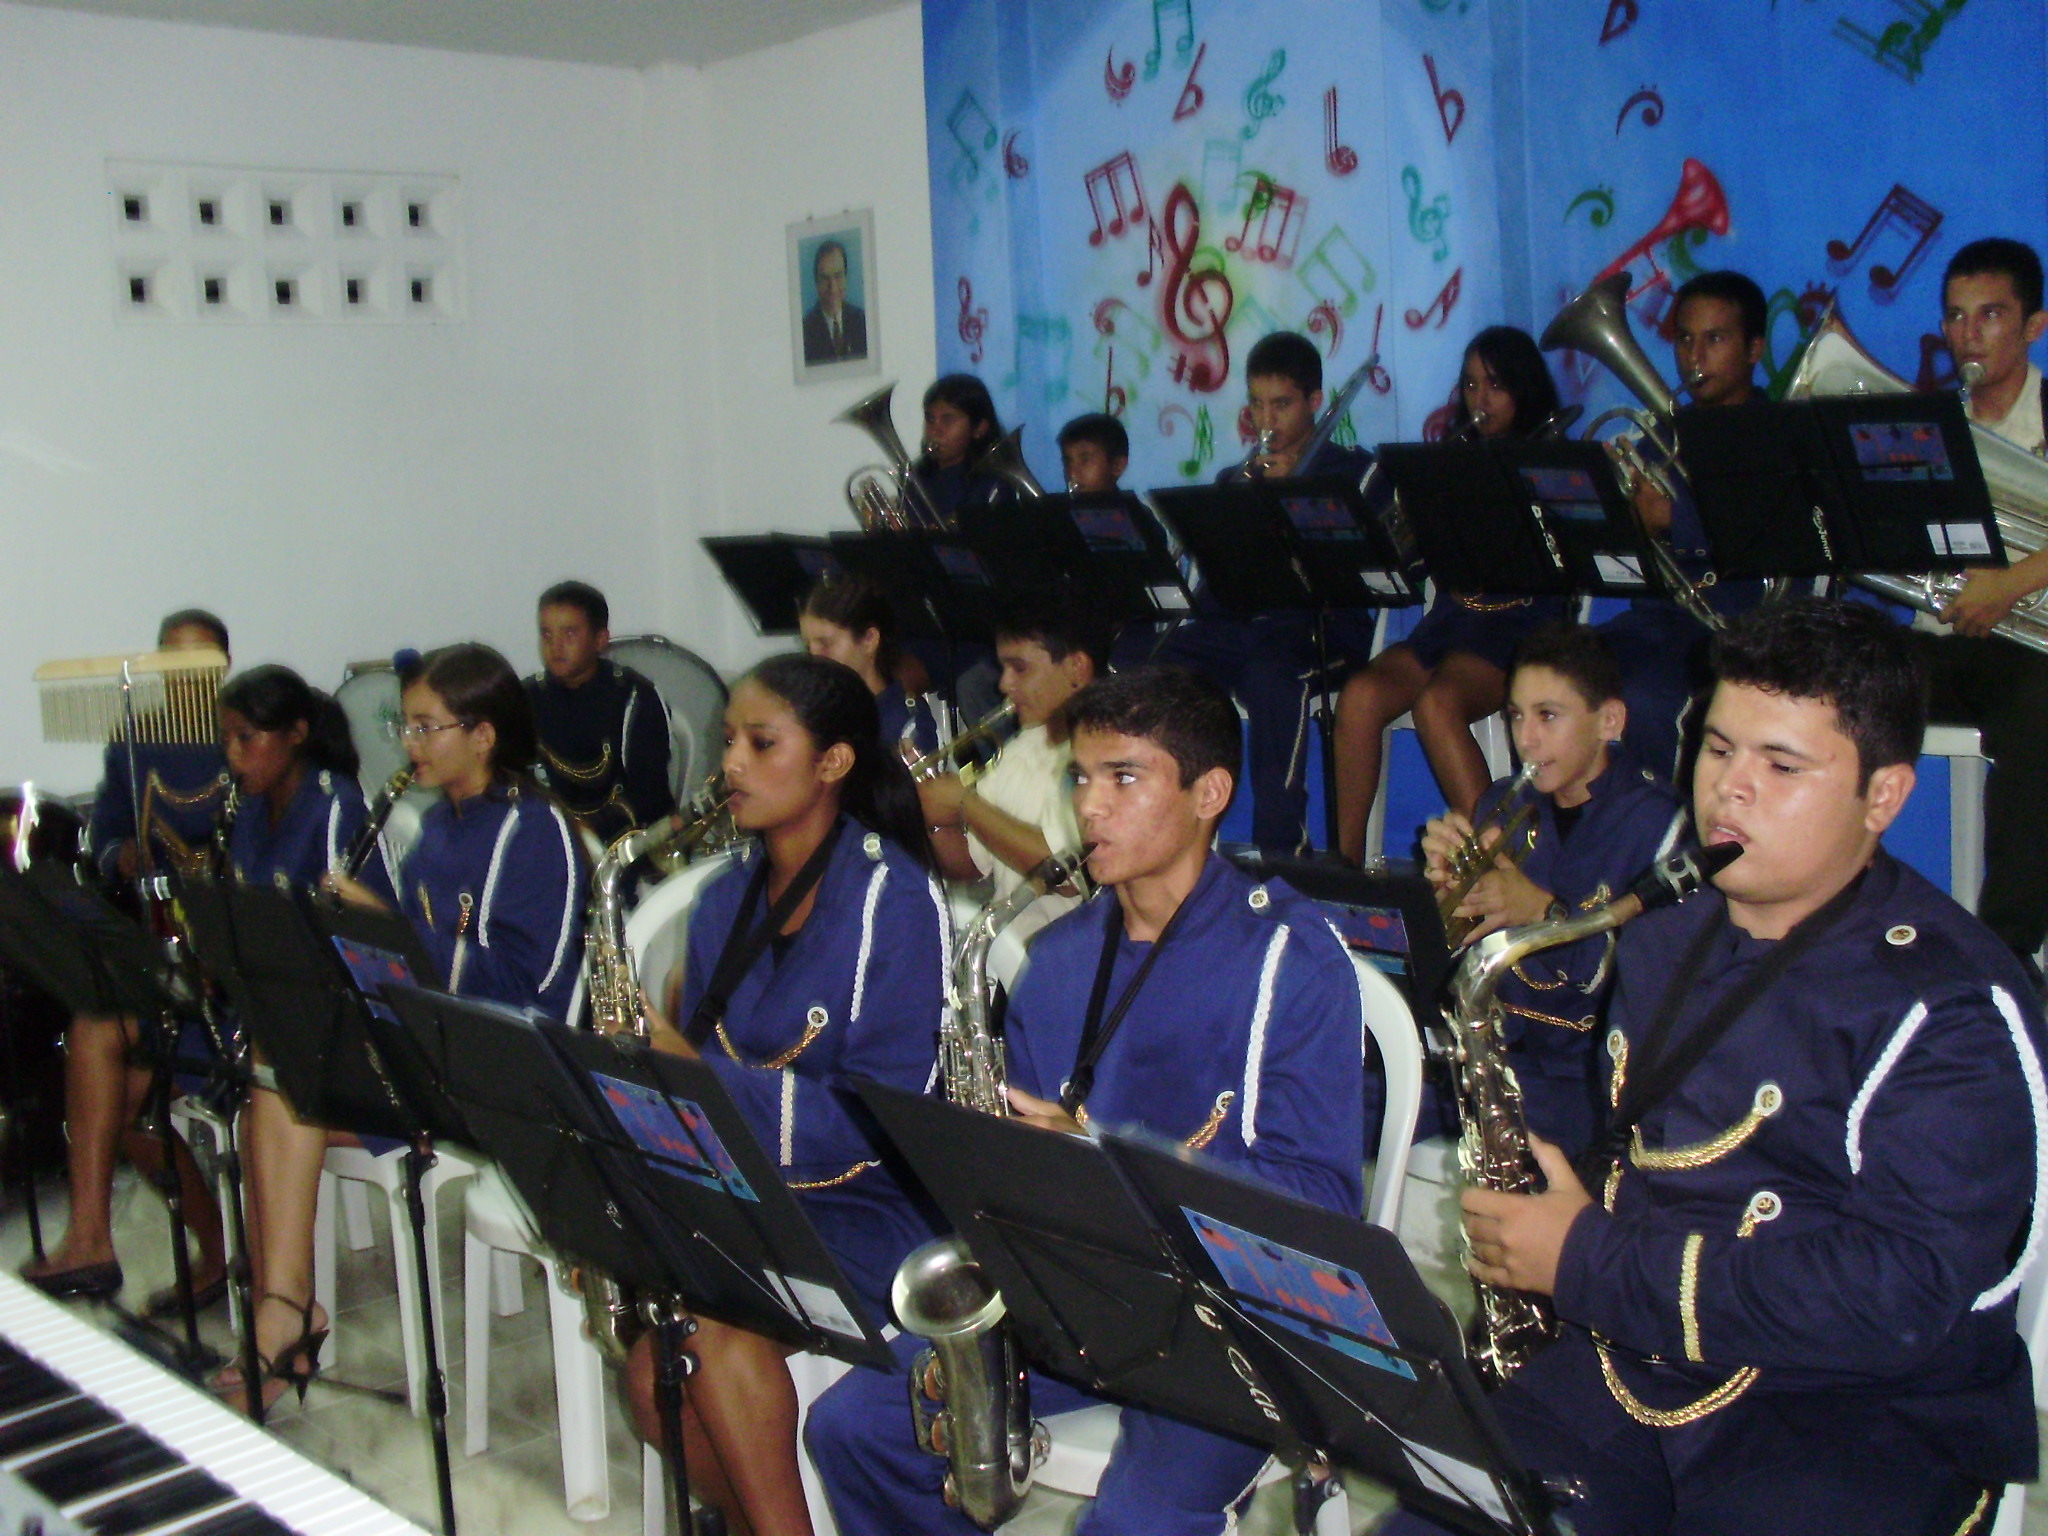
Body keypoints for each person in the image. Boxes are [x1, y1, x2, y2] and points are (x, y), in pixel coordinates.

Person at [1388, 598, 2045, 1536]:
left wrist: (1587, 1259)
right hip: (1635, 1359)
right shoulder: (1663, 933)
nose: (1730, 789)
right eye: (1719, 748)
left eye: (1782, 765)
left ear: (1884, 797)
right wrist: (1557, 1198)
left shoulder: (1951, 1008)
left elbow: (1895, 1298)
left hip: (1851, 1421)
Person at [809, 665, 1369, 1536]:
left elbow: (1324, 1205)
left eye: (1124, 778)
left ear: (1209, 795)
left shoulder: (1290, 959)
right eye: (1080, 777)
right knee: (852, 1430)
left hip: (1231, 1326)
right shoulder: (1060, 957)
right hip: (1073, 1298)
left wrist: (1105, 1161)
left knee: (1137, 1521)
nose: (1089, 808)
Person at [617, 654, 948, 1536]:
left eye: (761, 744)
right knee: (651, 1385)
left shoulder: (895, 899)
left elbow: (880, 1122)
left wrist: (693, 1074)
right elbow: (703, 1073)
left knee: (710, 1321)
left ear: (833, 762)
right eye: (728, 740)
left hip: (875, 1205)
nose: (730, 763)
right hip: (758, 1186)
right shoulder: (723, 896)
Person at [228, 644, 584, 1411]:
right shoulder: (437, 828)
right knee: (277, 1066)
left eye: (426, 727)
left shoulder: (536, 830)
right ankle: (283, 1308)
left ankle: (285, 1315)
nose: (408, 744)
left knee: (285, 1086)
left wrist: (388, 931)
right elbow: (401, 969)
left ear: (482, 735)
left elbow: (525, 985)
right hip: (431, 1046)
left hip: (506, 1071)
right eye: (406, 726)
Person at [19, 655, 376, 1311]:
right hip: (241, 999)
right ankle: (100, 1242)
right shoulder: (249, 808)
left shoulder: (335, 807)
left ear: (296, 734)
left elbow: (337, 942)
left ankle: (242, 1272)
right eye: (226, 740)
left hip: (308, 1023)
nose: (232, 756)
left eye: (246, 739)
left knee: (134, 1089)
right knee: (100, 1038)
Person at [1418, 625, 1681, 1155]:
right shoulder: (1502, 804)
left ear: (1609, 721)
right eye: (1516, 716)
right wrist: (1447, 895)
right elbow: (1455, 956)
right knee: (1354, 1095)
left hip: (1590, 1076)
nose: (1526, 740)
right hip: (1499, 1053)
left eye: (1548, 716)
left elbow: (1653, 986)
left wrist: (1542, 910)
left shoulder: (1661, 824)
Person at [1332, 327, 1572, 861]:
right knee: (1360, 696)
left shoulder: (1552, 459)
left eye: (1496, 386)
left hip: (1521, 624)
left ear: (1524, 390)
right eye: (1470, 384)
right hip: (1451, 620)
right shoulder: (1448, 460)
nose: (1479, 399)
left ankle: (1502, 863)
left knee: (1437, 703)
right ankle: (1344, 870)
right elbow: (1415, 562)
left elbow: (1566, 559)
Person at [1155, 332, 1382, 853]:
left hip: (1322, 631)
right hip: (1240, 629)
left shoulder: (1355, 473)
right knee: (1160, 664)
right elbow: (1218, 581)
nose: (1266, 421)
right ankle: (1172, 836)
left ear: (1315, 401)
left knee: (1273, 677)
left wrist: (1295, 497)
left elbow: (1366, 562)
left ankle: (1283, 850)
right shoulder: (1236, 478)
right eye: (1256, 405)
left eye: (1281, 405)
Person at [1914, 236, 2048, 971]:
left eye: (1991, 315)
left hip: (2031, 654)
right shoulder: (1931, 428)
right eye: (1957, 317)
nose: (1969, 334)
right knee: (1830, 670)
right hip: (1943, 640)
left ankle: (2006, 952)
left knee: (2040, 706)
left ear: (2034, 326)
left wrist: (2009, 583)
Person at [1592, 269, 1772, 786]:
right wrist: (1610, 506)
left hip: (1737, 625)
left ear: (1754, 349)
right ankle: (1578, 829)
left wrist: (1675, 520)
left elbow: (1770, 533)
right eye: (1685, 340)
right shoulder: (1657, 439)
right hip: (1656, 622)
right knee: (1554, 672)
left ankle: (1677, 827)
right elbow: (1622, 559)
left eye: (1715, 339)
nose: (1694, 357)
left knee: (1646, 698)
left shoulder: (1778, 436)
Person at [920, 597, 1104, 944]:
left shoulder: (1106, 760)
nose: (1004, 684)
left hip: (1066, 951)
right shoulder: (1023, 745)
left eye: (1019, 668)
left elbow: (1061, 872)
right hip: (1004, 946)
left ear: (1077, 669)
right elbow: (971, 867)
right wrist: (929, 817)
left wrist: (964, 803)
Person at [87, 609, 233, 884]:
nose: (186, 673)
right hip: (159, 892)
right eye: (173, 660)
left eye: (199, 659)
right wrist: (121, 855)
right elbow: (107, 825)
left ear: (225, 665)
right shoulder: (136, 738)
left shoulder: (247, 735)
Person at [525, 580, 676, 845]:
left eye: (569, 634)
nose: (555, 646)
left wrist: (584, 832)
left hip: (630, 843)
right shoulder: (526, 697)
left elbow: (650, 797)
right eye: (546, 634)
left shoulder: (635, 697)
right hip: (551, 839)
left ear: (600, 640)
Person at [796, 573, 937, 758]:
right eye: (808, 646)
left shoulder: (906, 721)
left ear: (869, 640)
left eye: (826, 644)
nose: (815, 657)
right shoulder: (816, 716)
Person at [801, 239, 868, 365]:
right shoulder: (804, 333)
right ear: (816, 282)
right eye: (824, 278)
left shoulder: (863, 322)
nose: (832, 288)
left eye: (838, 276)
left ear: (846, 277)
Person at [1057, 411, 1130, 495]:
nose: (1072, 473)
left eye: (1085, 460)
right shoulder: (1061, 503)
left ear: (1117, 465)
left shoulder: (1130, 504)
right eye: (1067, 462)